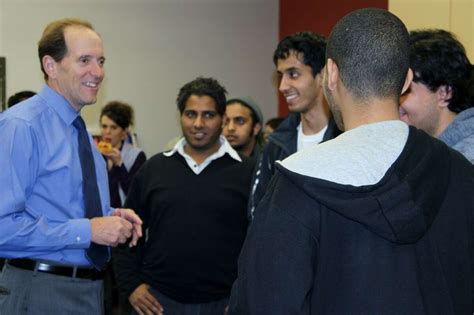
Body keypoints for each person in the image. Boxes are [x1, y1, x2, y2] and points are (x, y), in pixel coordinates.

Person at [229, 8, 474, 314]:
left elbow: (263, 303)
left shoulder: (296, 184)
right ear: (406, 80)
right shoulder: (461, 172)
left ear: (330, 74)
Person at [0, 18, 142, 314]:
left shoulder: (83, 136)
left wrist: (111, 217)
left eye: (101, 61)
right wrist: (88, 230)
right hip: (40, 289)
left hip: (90, 291)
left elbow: (60, 209)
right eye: (84, 60)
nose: (98, 72)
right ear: (51, 66)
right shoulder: (21, 126)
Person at [114, 77, 255, 315]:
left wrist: (245, 296)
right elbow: (127, 233)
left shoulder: (249, 172)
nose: (198, 123)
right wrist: (131, 286)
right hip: (158, 302)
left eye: (208, 115)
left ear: (222, 119)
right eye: (190, 114)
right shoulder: (154, 169)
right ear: (180, 116)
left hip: (224, 304)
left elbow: (260, 244)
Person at [248, 31, 341, 219]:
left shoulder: (346, 138)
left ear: (323, 75)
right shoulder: (275, 143)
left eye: (293, 74)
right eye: (281, 75)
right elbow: (257, 212)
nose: (282, 86)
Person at [400, 29, 474, 163]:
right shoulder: (425, 150)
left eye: (405, 91)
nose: (394, 103)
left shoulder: (466, 160)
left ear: (445, 93)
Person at [99, 101, 146, 208]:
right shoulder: (95, 154)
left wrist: (120, 164)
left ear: (124, 132)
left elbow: (136, 194)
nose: (107, 132)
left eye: (114, 127)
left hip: (124, 217)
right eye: (104, 126)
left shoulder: (137, 155)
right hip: (100, 217)